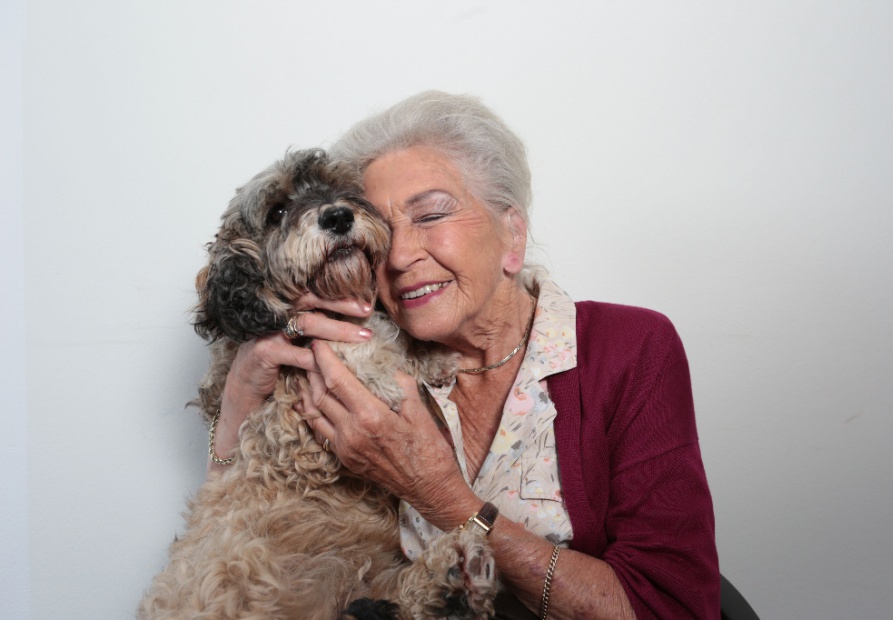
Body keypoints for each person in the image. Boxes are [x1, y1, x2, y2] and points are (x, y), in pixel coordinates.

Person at [210, 91, 719, 618]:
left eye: (431, 215)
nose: (400, 257)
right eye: (382, 231)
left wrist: (446, 499)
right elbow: (248, 528)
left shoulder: (629, 348)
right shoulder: (358, 360)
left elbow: (672, 607)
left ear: (512, 234)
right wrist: (236, 404)